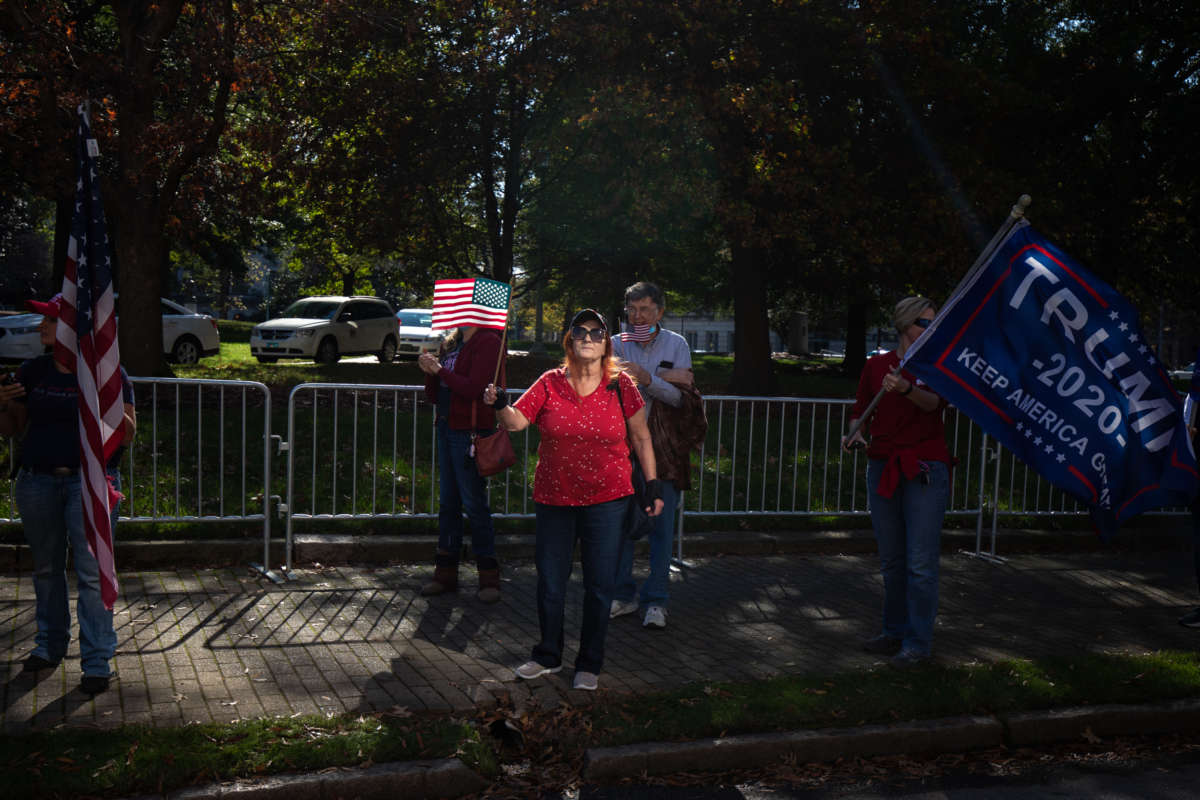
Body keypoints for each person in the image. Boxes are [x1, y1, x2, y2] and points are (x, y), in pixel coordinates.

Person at [484, 309, 664, 691]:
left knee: (599, 585)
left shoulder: (620, 385)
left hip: (609, 500)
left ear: (605, 344)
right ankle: (547, 655)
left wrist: (652, 484)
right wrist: (500, 403)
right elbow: (516, 422)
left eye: (596, 332)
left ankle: (589, 663)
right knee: (550, 581)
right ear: (569, 341)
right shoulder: (550, 382)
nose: (587, 337)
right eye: (579, 331)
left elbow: (642, 437)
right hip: (555, 498)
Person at [0, 294, 136, 695]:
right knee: (46, 570)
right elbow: (12, 429)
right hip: (38, 481)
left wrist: (102, 393)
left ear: (71, 330)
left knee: (92, 574)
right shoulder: (33, 371)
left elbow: (128, 432)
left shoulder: (108, 370)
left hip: (89, 484)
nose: (40, 327)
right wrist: (2, 405)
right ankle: (49, 645)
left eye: (48, 321)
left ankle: (96, 661)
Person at [842, 296, 952, 669]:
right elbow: (860, 407)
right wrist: (854, 431)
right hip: (882, 466)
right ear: (904, 324)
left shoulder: (935, 364)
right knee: (892, 561)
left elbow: (935, 404)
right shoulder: (875, 366)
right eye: (924, 322)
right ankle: (894, 633)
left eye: (933, 323)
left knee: (920, 564)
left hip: (924, 468)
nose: (930, 329)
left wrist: (905, 388)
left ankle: (918, 644)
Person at [610, 281, 695, 630]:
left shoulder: (677, 344)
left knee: (661, 529)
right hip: (621, 450)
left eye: (644, 309)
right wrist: (664, 378)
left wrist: (648, 378)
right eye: (631, 310)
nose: (637, 316)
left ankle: (656, 600)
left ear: (659, 312)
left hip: (663, 452)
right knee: (621, 529)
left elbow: (682, 399)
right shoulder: (615, 343)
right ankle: (623, 595)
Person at [417, 324, 504, 603]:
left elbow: (473, 388)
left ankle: (489, 577)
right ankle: (445, 574)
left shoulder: (488, 341)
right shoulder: (451, 343)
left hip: (469, 431)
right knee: (448, 503)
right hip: (446, 425)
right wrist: (430, 372)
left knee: (474, 503)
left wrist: (440, 370)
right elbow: (434, 395)